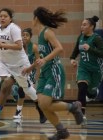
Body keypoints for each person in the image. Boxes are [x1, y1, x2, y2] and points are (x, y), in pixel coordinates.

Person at [0, 8, 46, 124]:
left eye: (5, 16)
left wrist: (0, 44)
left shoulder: (14, 28)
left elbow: (19, 46)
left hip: (19, 63)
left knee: (28, 89)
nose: (2, 18)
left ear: (10, 18)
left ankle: (41, 110)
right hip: (3, 62)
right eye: (0, 16)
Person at [22, 7, 84, 140]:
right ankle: (62, 131)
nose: (31, 20)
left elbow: (59, 48)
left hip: (54, 70)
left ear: (36, 19)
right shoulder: (39, 36)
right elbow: (40, 58)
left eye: (32, 18)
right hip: (44, 73)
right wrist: (30, 67)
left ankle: (73, 106)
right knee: (42, 104)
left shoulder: (47, 32)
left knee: (45, 104)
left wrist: (44, 59)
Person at [70, 15, 103, 126]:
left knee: (90, 93)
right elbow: (75, 51)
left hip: (96, 70)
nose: (82, 26)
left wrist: (90, 49)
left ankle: (93, 93)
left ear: (91, 27)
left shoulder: (96, 38)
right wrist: (72, 59)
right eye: (81, 24)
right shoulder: (80, 37)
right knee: (82, 88)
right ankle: (82, 115)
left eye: (84, 24)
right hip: (83, 68)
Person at [13, 28, 41, 120]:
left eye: (27, 35)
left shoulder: (34, 47)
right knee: (22, 91)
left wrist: (38, 73)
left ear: (30, 37)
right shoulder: (19, 45)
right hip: (20, 71)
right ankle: (20, 111)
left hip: (30, 72)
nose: (24, 36)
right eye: (23, 35)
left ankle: (19, 111)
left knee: (22, 90)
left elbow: (38, 61)